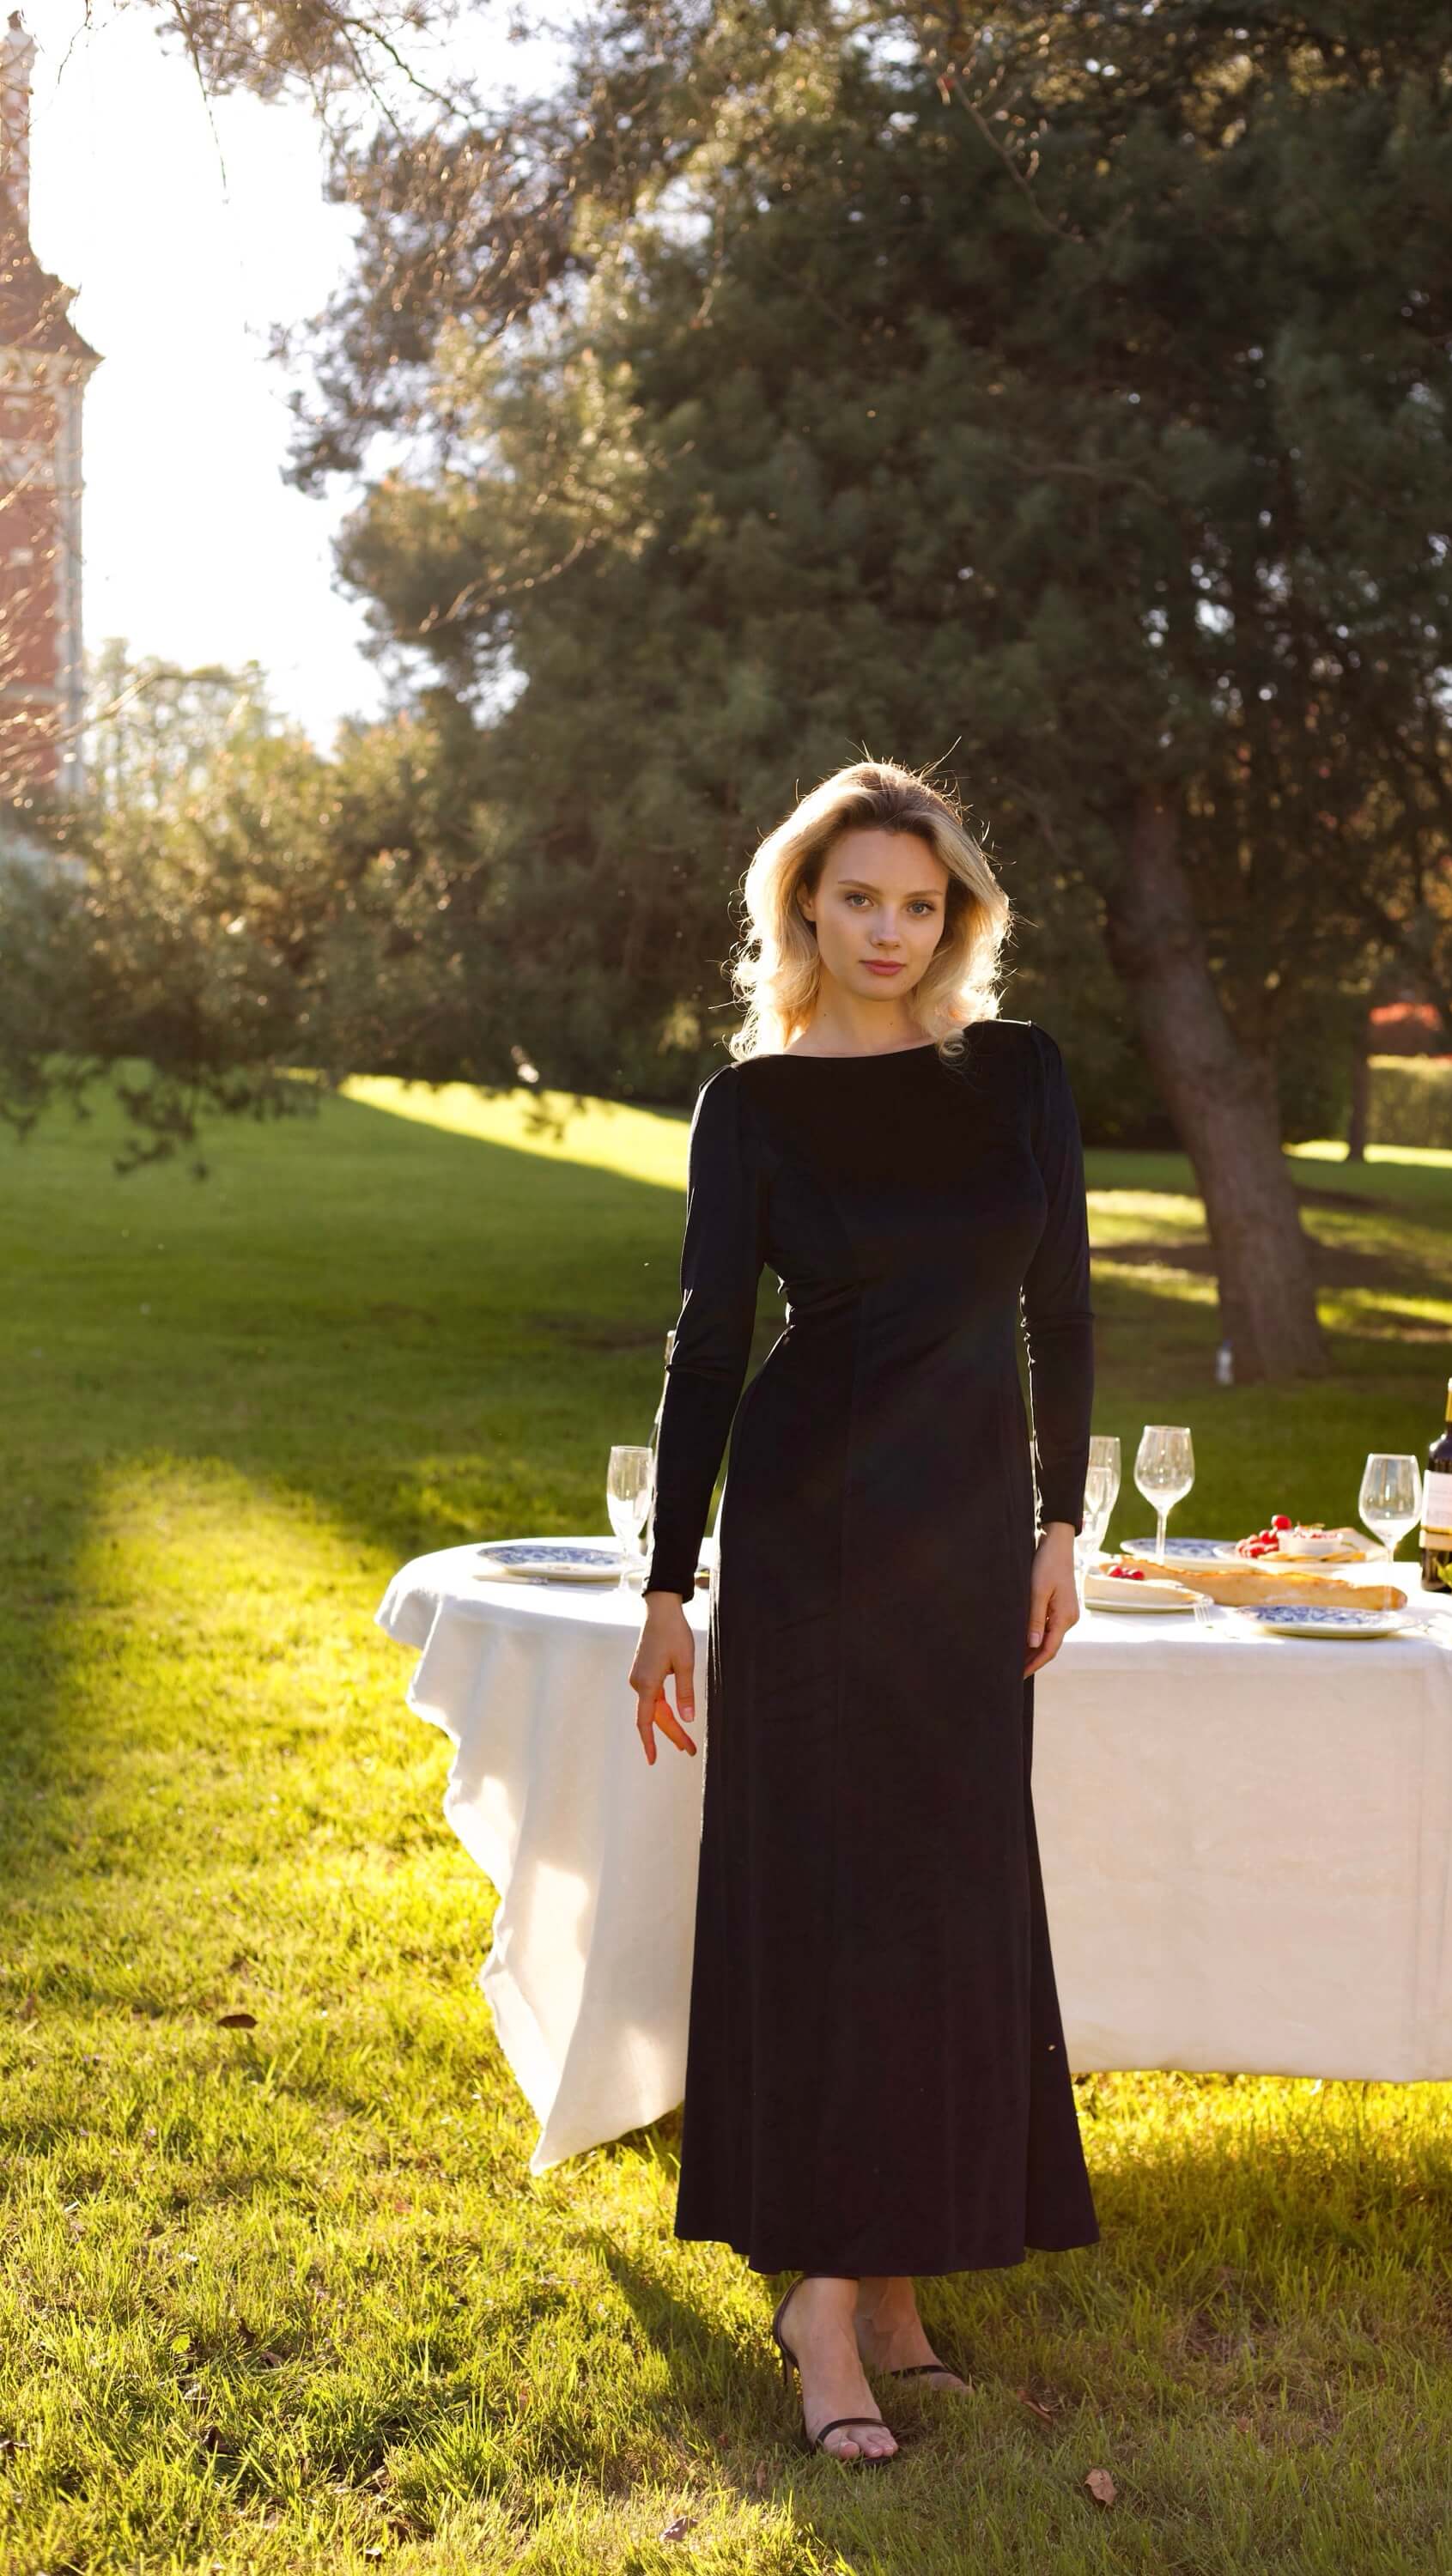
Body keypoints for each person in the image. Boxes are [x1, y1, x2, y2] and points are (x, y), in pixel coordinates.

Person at [628, 759, 1099, 2464]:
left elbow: (1063, 1307)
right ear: (804, 911)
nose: (890, 931)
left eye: (919, 903)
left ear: (953, 915)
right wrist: (668, 1585)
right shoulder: (751, 1108)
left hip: (967, 1539)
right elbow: (705, 1352)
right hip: (816, 1539)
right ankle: (823, 2303)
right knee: (840, 1905)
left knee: (946, 1899)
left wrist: (1059, 1523)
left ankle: (890, 2288)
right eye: (857, 901)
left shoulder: (1017, 1076)